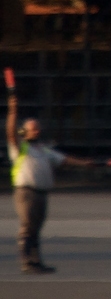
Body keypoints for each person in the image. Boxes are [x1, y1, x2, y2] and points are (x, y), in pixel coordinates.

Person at [8, 79, 90, 274]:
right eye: (32, 128)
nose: (37, 130)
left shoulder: (43, 149)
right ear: (24, 132)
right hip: (26, 192)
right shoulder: (21, 148)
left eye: (37, 127)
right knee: (27, 227)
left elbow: (63, 159)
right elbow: (10, 133)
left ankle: (36, 261)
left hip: (42, 194)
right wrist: (13, 111)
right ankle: (26, 261)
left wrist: (84, 163)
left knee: (36, 229)